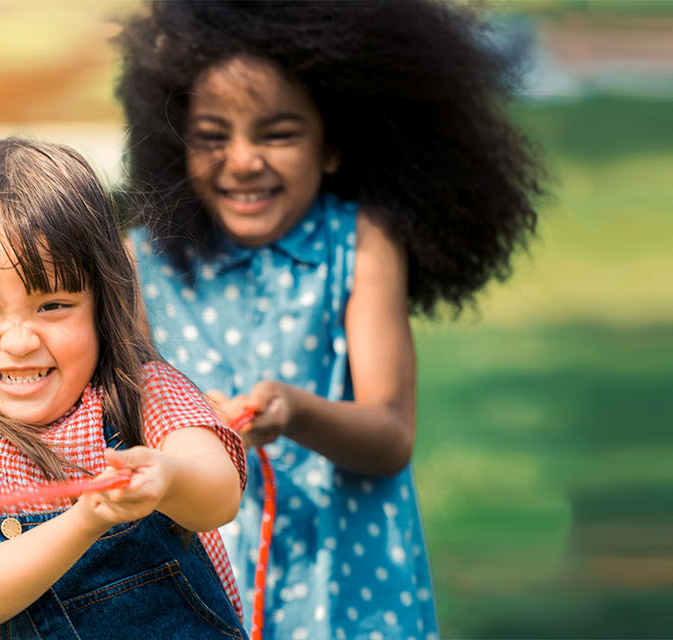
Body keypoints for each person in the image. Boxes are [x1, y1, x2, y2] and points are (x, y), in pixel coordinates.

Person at [114, 1, 546, 638]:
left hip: (345, 583)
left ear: (335, 143)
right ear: (176, 140)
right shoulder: (143, 263)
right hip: (205, 582)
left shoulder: (362, 245)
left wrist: (295, 411)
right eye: (212, 136)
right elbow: (119, 425)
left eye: (277, 134)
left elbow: (391, 434)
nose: (242, 160)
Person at [0, 138, 250, 640]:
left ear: (103, 301)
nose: (20, 342)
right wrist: (87, 520)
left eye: (52, 306)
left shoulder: (141, 389)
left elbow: (219, 496)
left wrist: (168, 477)